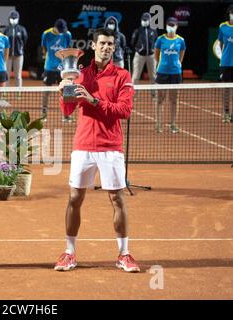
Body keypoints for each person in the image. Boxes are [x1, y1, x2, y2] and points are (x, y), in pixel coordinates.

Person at [54, 28, 139, 273]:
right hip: (83, 146)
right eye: (102, 43)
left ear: (114, 47)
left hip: (110, 147)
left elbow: (124, 110)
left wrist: (93, 101)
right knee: (74, 198)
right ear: (93, 45)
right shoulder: (79, 74)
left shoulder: (122, 76)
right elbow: (68, 111)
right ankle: (69, 253)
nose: (106, 47)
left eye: (110, 44)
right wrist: (64, 93)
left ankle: (124, 254)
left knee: (117, 199)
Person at [154, 17, 186, 134]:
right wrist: (161, 65)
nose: (171, 27)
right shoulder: (160, 39)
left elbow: (182, 53)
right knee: (160, 99)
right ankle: (158, 124)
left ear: (176, 26)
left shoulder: (180, 40)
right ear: (166, 26)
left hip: (175, 73)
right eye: (169, 25)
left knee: (174, 100)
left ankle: (173, 124)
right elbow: (156, 55)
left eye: (173, 25)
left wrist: (178, 63)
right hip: (162, 72)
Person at [41, 18, 72, 122]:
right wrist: (48, 58)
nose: (62, 32)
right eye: (61, 30)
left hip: (62, 68)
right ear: (55, 28)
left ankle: (66, 115)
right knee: (46, 91)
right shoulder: (46, 34)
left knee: (66, 91)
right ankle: (44, 114)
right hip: (49, 68)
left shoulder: (67, 34)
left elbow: (67, 48)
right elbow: (44, 47)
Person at [3, 10, 28, 89]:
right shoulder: (6, 30)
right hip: (8, 56)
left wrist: (19, 48)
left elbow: (25, 40)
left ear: (18, 18)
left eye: (15, 18)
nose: (13, 20)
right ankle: (5, 92)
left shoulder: (22, 29)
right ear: (9, 18)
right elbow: (3, 41)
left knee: (18, 75)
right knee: (7, 74)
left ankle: (18, 92)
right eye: (12, 18)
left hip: (18, 56)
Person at [130, 12, 157, 85]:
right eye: (143, 20)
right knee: (135, 76)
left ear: (149, 20)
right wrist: (139, 49)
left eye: (146, 20)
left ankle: (154, 95)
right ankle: (133, 95)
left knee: (153, 76)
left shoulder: (153, 31)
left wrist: (152, 50)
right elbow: (132, 42)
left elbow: (156, 41)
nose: (144, 21)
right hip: (139, 56)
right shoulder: (137, 30)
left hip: (151, 56)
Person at [218, 4, 233, 123]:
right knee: (226, 89)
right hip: (226, 63)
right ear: (229, 14)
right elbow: (221, 44)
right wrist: (224, 56)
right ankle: (226, 112)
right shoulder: (222, 27)